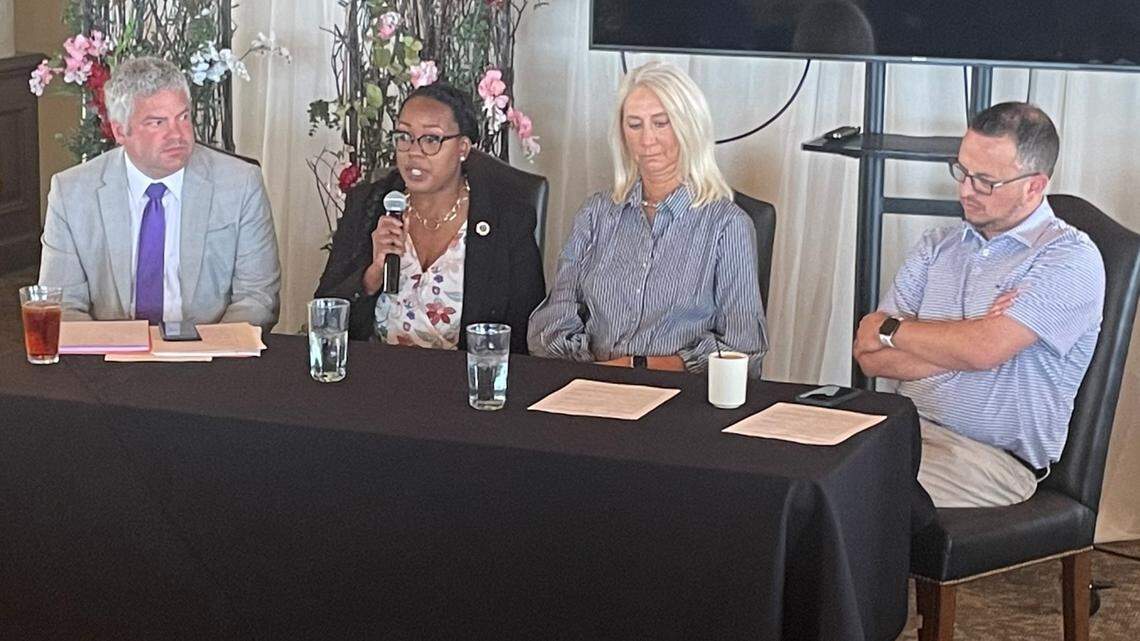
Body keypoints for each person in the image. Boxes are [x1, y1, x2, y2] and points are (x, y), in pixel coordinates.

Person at [853, 102, 1105, 508]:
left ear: (1034, 186)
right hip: (906, 430)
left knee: (846, 491)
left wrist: (896, 330)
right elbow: (870, 355)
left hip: (990, 461)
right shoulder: (937, 245)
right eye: (962, 171)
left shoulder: (1068, 258)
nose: (965, 190)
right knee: (793, 466)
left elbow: (982, 349)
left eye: (986, 181)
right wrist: (970, 343)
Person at [527, 62, 768, 376]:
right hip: (591, 384)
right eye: (634, 125)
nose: (647, 140)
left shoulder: (727, 226)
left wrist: (634, 366)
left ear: (689, 126)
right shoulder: (595, 214)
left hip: (678, 393)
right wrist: (597, 376)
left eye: (661, 123)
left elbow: (743, 350)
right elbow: (551, 324)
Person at [38, 56, 281, 330]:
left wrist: (210, 350)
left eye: (183, 117)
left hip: (210, 349)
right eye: (157, 123)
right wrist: (112, 348)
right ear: (120, 131)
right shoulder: (72, 193)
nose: (177, 134)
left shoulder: (240, 183)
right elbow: (62, 304)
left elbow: (257, 297)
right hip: (111, 350)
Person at [315, 83, 545, 353]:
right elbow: (325, 315)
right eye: (404, 136)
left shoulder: (507, 220)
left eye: (431, 139)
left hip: (464, 375)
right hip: (376, 371)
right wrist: (371, 276)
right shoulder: (369, 205)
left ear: (462, 148)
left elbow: (524, 334)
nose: (414, 151)